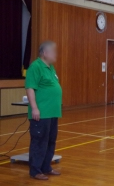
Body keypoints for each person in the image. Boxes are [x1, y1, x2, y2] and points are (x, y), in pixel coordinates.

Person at [25, 41, 63, 180]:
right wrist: (34, 108)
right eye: (53, 52)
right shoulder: (35, 67)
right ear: (45, 53)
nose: (56, 55)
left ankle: (46, 167)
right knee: (39, 141)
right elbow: (30, 88)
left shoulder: (50, 67)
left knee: (50, 141)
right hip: (41, 113)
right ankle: (35, 170)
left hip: (53, 113)